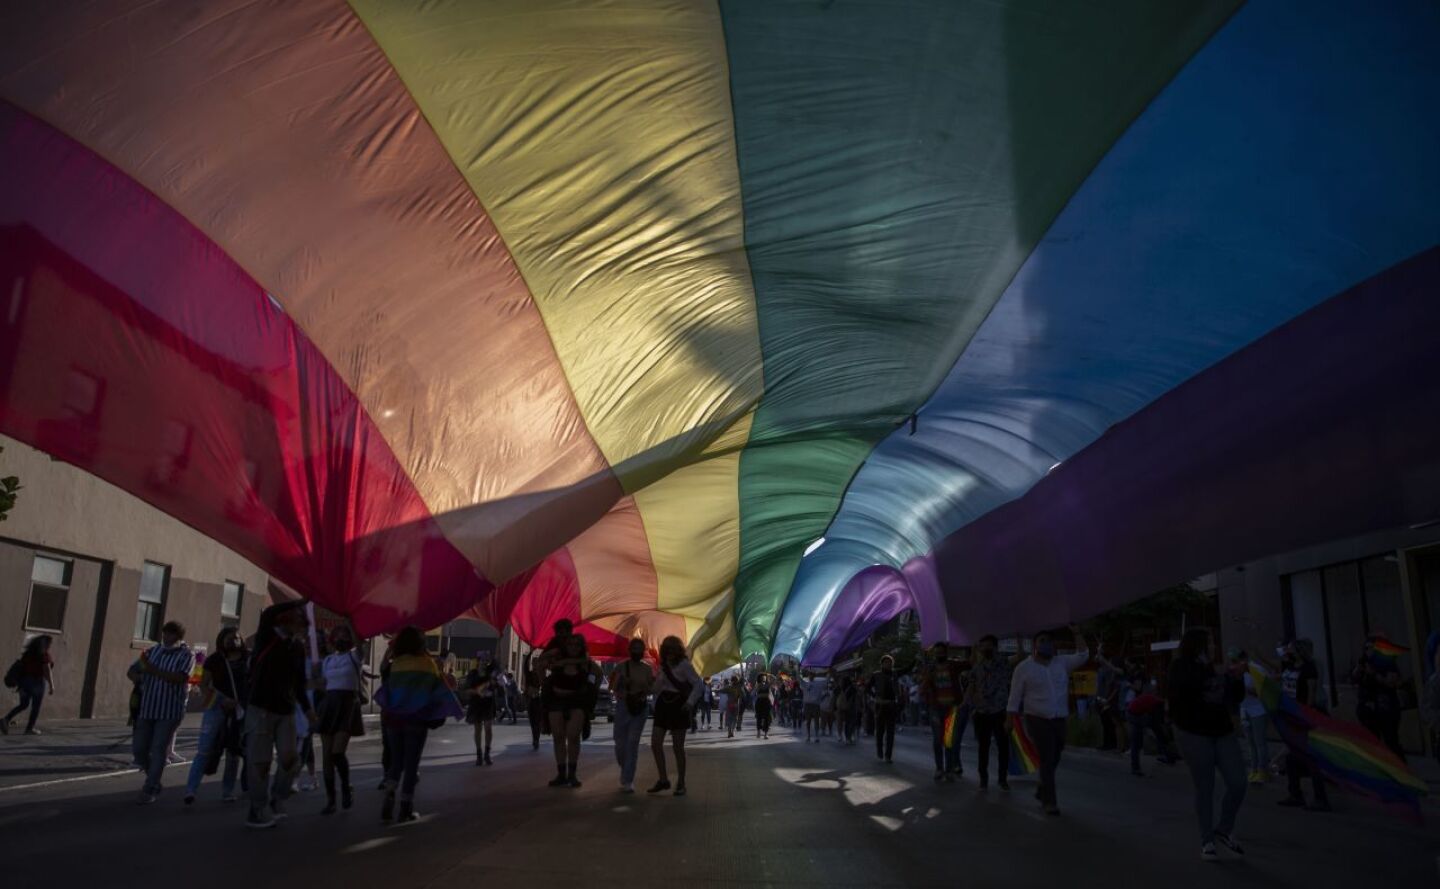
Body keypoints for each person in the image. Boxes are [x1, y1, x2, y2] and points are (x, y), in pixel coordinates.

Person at [1168, 629, 1247, 861]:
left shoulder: (1214, 669)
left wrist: (1237, 678)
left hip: (1222, 732)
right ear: (1198, 645)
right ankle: (1207, 840)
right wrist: (1225, 676)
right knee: (1205, 787)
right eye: (1210, 643)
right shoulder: (1181, 666)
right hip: (1194, 735)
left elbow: (1234, 697)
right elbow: (1188, 688)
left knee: (1238, 782)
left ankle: (1223, 827)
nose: (1214, 647)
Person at [375, 626, 461, 822]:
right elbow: (438, 692)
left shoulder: (396, 665)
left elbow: (386, 687)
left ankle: (389, 797)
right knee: (411, 765)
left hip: (394, 721)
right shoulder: (428, 665)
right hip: (416, 721)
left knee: (395, 763)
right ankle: (406, 808)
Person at [244, 599, 316, 829]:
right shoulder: (268, 636)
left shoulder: (295, 648)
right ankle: (257, 809)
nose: (303, 632)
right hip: (261, 708)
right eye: (300, 625)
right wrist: (302, 599)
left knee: (291, 760)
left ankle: (278, 796)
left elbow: (299, 683)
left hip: (286, 711)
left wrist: (307, 709)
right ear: (288, 621)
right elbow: (269, 612)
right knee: (260, 763)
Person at [1006, 626, 1089, 815]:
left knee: (1056, 753)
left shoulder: (1061, 663)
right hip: (1036, 718)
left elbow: (1083, 655)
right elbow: (1015, 695)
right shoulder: (1024, 668)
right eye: (1042, 641)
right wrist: (1009, 719)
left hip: (1059, 717)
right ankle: (1050, 802)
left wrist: (1077, 632)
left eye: (1049, 641)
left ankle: (1043, 786)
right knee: (1047, 756)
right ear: (1035, 645)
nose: (1046, 644)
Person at [132, 621, 195, 804]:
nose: (166, 637)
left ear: (178, 636)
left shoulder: (187, 655)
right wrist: (139, 678)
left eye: (170, 634)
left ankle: (150, 787)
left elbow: (180, 678)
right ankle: (154, 776)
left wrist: (154, 671)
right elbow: (134, 670)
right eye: (164, 633)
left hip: (169, 709)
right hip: (148, 706)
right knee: (139, 749)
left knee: (159, 748)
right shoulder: (153, 651)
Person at [184, 627, 248, 804]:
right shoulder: (214, 660)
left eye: (236, 637)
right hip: (216, 706)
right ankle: (191, 790)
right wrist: (220, 700)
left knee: (233, 752)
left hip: (240, 708)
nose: (233, 641)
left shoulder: (248, 659)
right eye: (229, 637)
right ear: (222, 640)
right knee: (204, 749)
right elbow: (203, 684)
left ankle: (227, 791)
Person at [539, 632, 601, 788]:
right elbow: (540, 663)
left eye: (577, 644)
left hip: (577, 702)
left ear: (581, 647)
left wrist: (590, 688)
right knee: (558, 737)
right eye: (570, 644)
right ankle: (561, 774)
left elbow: (598, 675)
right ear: (565, 646)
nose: (573, 647)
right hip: (556, 701)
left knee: (573, 736)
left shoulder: (586, 663)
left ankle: (572, 774)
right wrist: (544, 682)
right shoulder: (557, 661)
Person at [316, 625, 366, 813]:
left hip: (347, 705)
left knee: (337, 752)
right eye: (338, 636)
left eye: (345, 636)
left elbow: (360, 644)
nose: (341, 639)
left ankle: (346, 786)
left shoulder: (355, 657)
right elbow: (323, 684)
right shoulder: (327, 660)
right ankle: (331, 800)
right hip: (330, 705)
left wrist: (350, 621)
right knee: (327, 757)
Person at [1277, 639, 1330, 811]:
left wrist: (1306, 715)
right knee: (1292, 756)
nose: (1288, 651)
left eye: (1291, 649)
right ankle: (1295, 793)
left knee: (1310, 757)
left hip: (1302, 716)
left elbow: (1311, 692)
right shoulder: (1290, 666)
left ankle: (1320, 798)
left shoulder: (1308, 668)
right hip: (1290, 715)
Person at [649, 635, 703, 796]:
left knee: (677, 747)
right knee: (655, 743)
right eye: (667, 649)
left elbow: (698, 684)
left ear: (678, 651)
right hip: (663, 706)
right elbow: (657, 688)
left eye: (672, 649)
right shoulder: (663, 666)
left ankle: (681, 783)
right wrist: (650, 684)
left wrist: (690, 703)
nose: (669, 652)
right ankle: (663, 779)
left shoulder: (684, 665)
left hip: (679, 706)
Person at [968, 635, 1022, 790]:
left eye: (988, 645)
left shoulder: (1003, 663)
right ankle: (983, 779)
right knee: (983, 747)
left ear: (995, 647)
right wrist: (970, 703)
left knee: (1003, 747)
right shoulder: (978, 666)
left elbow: (1020, 657)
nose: (985, 648)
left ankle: (1002, 778)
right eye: (982, 645)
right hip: (982, 712)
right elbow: (972, 686)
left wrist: (1019, 635)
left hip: (1000, 711)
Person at [1352, 634, 1405, 761]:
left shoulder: (1387, 663)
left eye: (1371, 648)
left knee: (1390, 741)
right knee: (1372, 742)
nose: (1368, 651)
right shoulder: (1363, 663)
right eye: (1366, 648)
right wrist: (1359, 669)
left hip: (1386, 707)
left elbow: (1393, 683)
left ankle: (1400, 768)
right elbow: (1354, 678)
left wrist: (1374, 674)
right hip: (1368, 709)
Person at [612, 638, 654, 793]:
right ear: (629, 650)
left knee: (632, 744)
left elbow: (652, 688)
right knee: (620, 744)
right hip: (623, 706)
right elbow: (613, 688)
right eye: (634, 648)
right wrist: (621, 682)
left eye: (639, 648)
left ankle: (628, 780)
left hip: (640, 708)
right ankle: (625, 769)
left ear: (643, 651)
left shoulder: (647, 669)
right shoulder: (621, 667)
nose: (636, 651)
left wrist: (645, 688)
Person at [920, 642, 964, 782]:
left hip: (952, 709)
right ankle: (939, 768)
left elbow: (971, 663)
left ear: (946, 653)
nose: (939, 654)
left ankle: (949, 770)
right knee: (937, 740)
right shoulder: (930, 669)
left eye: (941, 652)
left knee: (948, 740)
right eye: (937, 652)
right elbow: (923, 687)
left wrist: (973, 645)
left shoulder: (953, 665)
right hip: (936, 709)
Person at [2, 635, 54, 735]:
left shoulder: (28, 654)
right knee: (36, 706)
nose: (50, 646)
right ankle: (29, 728)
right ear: (45, 644)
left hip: (24, 682)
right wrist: (52, 685)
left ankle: (6, 719)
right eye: (49, 644)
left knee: (23, 704)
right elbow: (47, 670)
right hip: (37, 682)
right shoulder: (44, 655)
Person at [1236, 651, 1270, 784]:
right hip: (1244, 709)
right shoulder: (1238, 672)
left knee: (1259, 742)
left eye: (1239, 661)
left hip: (1258, 710)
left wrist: (1249, 690)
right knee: (1250, 742)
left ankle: (1263, 771)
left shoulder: (1257, 670)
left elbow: (1264, 690)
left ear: (1245, 659)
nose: (1237, 664)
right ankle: (1254, 770)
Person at [462, 657, 499, 766]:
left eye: (485, 661)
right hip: (476, 704)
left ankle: (487, 753)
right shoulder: (473, 674)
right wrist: (477, 692)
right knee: (478, 729)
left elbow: (497, 684)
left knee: (488, 727)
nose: (483, 663)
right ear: (478, 662)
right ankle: (479, 754)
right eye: (482, 661)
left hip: (488, 703)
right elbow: (467, 689)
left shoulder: (490, 673)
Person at [870, 655, 900, 763]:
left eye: (890, 662)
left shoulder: (895, 674)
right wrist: (875, 697)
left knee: (890, 732)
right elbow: (868, 688)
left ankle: (888, 755)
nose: (888, 664)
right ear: (882, 664)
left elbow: (907, 669)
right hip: (880, 705)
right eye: (886, 662)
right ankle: (879, 750)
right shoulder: (876, 675)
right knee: (880, 731)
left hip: (891, 705)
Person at [801, 671, 829, 743]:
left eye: (812, 675)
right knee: (808, 721)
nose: (810, 676)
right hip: (807, 704)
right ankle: (808, 735)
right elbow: (799, 679)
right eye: (810, 675)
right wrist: (796, 672)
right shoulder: (805, 683)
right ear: (808, 676)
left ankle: (816, 736)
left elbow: (826, 681)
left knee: (816, 721)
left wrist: (829, 674)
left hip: (816, 705)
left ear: (814, 676)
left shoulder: (818, 684)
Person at [525, 662, 545, 750]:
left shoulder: (541, 675)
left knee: (538, 723)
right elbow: (525, 666)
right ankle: (535, 739)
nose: (535, 666)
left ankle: (536, 739)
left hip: (539, 701)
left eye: (537, 663)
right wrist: (530, 654)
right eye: (534, 663)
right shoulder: (529, 674)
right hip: (531, 701)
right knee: (533, 723)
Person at [754, 675, 773, 739]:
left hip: (766, 701)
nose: (763, 678)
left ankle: (766, 734)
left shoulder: (768, 685)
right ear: (760, 678)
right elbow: (755, 691)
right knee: (759, 717)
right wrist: (759, 686)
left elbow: (774, 680)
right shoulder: (758, 685)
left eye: (765, 677)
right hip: (759, 702)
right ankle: (758, 732)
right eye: (762, 677)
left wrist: (770, 675)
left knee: (767, 718)